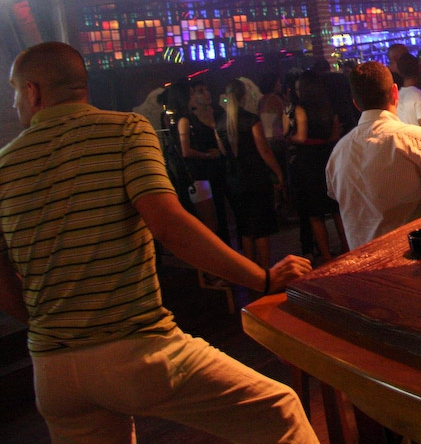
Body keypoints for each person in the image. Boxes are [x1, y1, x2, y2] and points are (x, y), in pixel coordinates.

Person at [0, 42, 316, 443]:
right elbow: (169, 226)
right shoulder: (125, 131)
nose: (15, 103)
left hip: (52, 372)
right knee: (280, 411)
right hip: (134, 350)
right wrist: (263, 279)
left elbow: (4, 283)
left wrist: (50, 330)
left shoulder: (4, 164)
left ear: (32, 91)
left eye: (14, 92)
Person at [325, 61, 421, 250]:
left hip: (361, 263)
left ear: (356, 103)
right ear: (395, 92)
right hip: (416, 256)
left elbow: (337, 197)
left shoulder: (338, 153)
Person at [216, 79, 285, 270]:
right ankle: (265, 271)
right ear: (244, 96)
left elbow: (223, 152)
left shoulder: (220, 123)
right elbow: (264, 151)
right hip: (255, 177)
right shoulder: (251, 120)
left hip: (234, 180)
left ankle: (251, 270)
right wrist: (278, 173)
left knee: (245, 227)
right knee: (261, 227)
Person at [285, 69, 343, 263]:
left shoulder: (301, 108)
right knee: (335, 208)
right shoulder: (329, 106)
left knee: (315, 213)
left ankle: (326, 255)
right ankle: (346, 247)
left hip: (308, 160)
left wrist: (289, 138)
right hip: (327, 156)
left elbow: (301, 137)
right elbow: (335, 135)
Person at [181, 78, 231, 245]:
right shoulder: (191, 120)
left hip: (225, 165)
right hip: (206, 170)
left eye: (206, 90)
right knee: (214, 213)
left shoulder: (218, 112)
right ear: (193, 96)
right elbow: (187, 150)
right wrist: (208, 155)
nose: (206, 94)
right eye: (200, 91)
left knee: (230, 208)